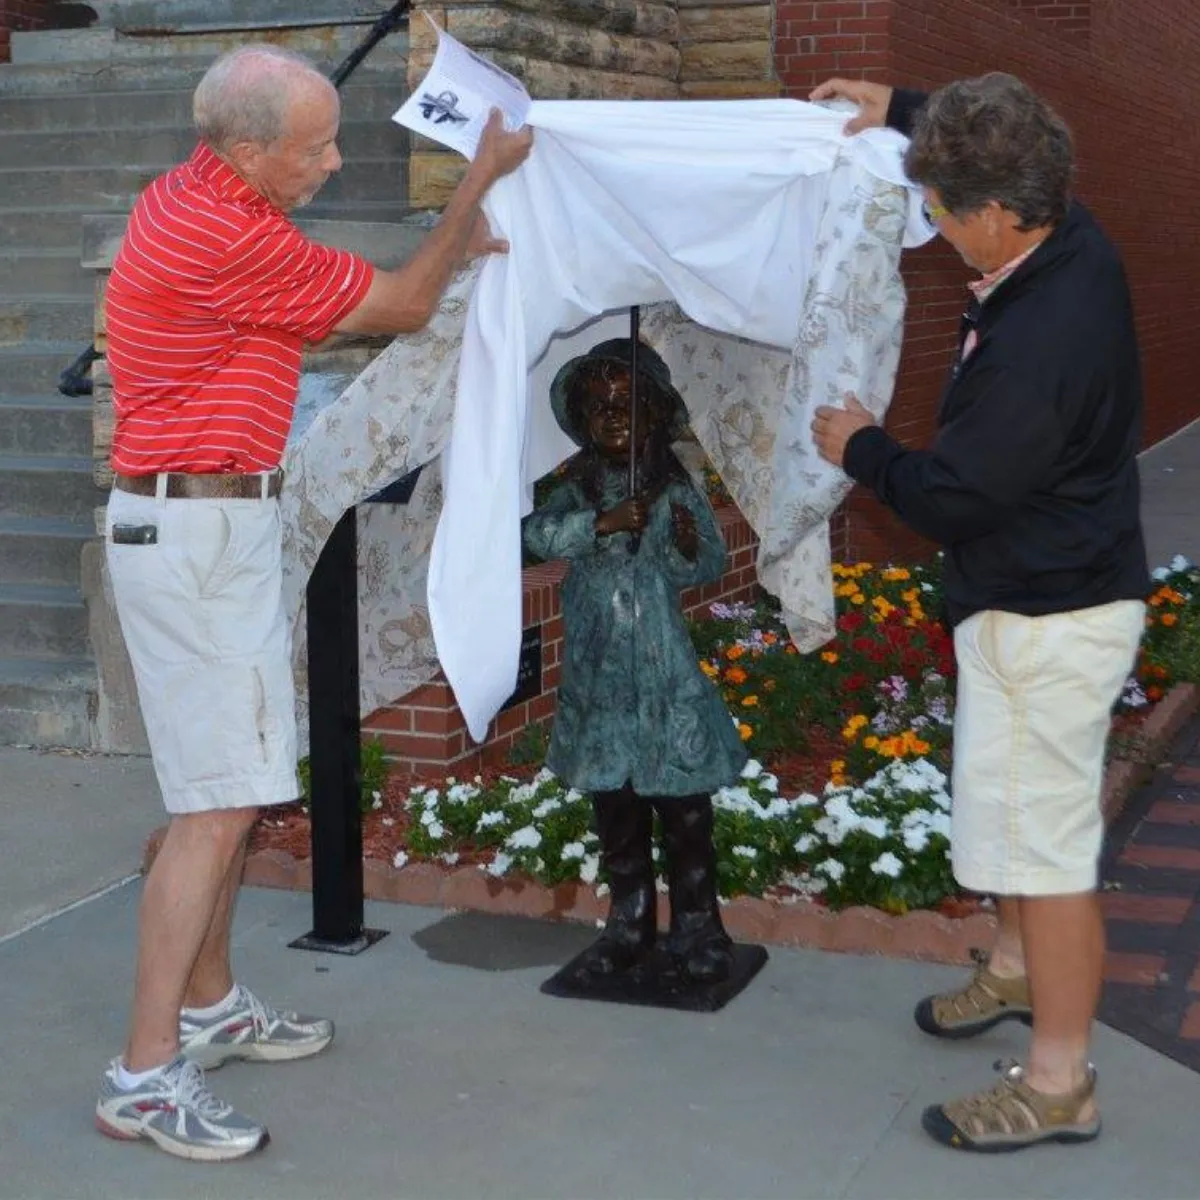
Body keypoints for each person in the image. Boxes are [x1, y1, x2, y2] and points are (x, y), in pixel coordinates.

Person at [94, 44, 531, 1162]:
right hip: (195, 537)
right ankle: (145, 1074)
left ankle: (211, 1006)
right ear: (248, 150)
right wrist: (475, 185)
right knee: (214, 811)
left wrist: (451, 243)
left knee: (227, 786)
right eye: (317, 145)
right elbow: (398, 305)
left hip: (203, 526)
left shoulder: (196, 194)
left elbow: (341, 298)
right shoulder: (226, 231)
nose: (337, 162)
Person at [809, 73, 1149, 1152]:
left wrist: (859, 444)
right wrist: (904, 106)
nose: (939, 231)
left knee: (1047, 858)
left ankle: (1059, 1083)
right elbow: (1010, 128)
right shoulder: (1062, 226)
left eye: (944, 213)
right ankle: (1009, 972)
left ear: (997, 213)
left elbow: (952, 496)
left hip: (1049, 618)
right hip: (1033, 596)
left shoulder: (1042, 342)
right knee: (1004, 810)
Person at [524, 339, 748, 985]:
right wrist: (599, 522)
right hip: (600, 681)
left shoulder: (673, 486)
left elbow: (706, 562)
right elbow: (531, 536)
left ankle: (699, 926)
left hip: (661, 675)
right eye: (600, 408)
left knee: (685, 813)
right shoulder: (577, 488)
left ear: (653, 412)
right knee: (616, 813)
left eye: (627, 405)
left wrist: (680, 542)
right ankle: (629, 922)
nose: (615, 419)